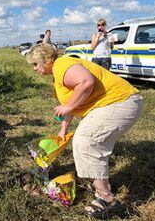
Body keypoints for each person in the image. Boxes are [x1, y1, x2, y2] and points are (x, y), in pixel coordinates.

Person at [26, 45, 143, 218]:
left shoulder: (62, 64)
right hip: (112, 104)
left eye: (35, 64)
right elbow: (72, 103)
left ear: (46, 59)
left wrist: (68, 106)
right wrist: (63, 130)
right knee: (89, 141)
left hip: (120, 102)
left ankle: (107, 200)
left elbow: (86, 82)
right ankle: (100, 184)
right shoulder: (57, 77)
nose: (34, 69)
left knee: (86, 141)